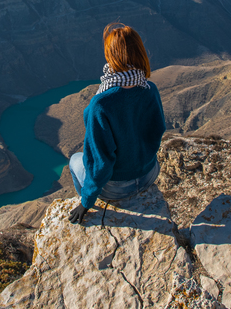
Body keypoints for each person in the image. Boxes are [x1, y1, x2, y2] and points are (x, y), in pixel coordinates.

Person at [68, 23, 166, 224]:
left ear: (111, 56)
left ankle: (92, 201)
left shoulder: (101, 104)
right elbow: (157, 130)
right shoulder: (149, 89)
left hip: (118, 187)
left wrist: (85, 202)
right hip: (149, 173)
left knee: (75, 160)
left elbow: (99, 161)